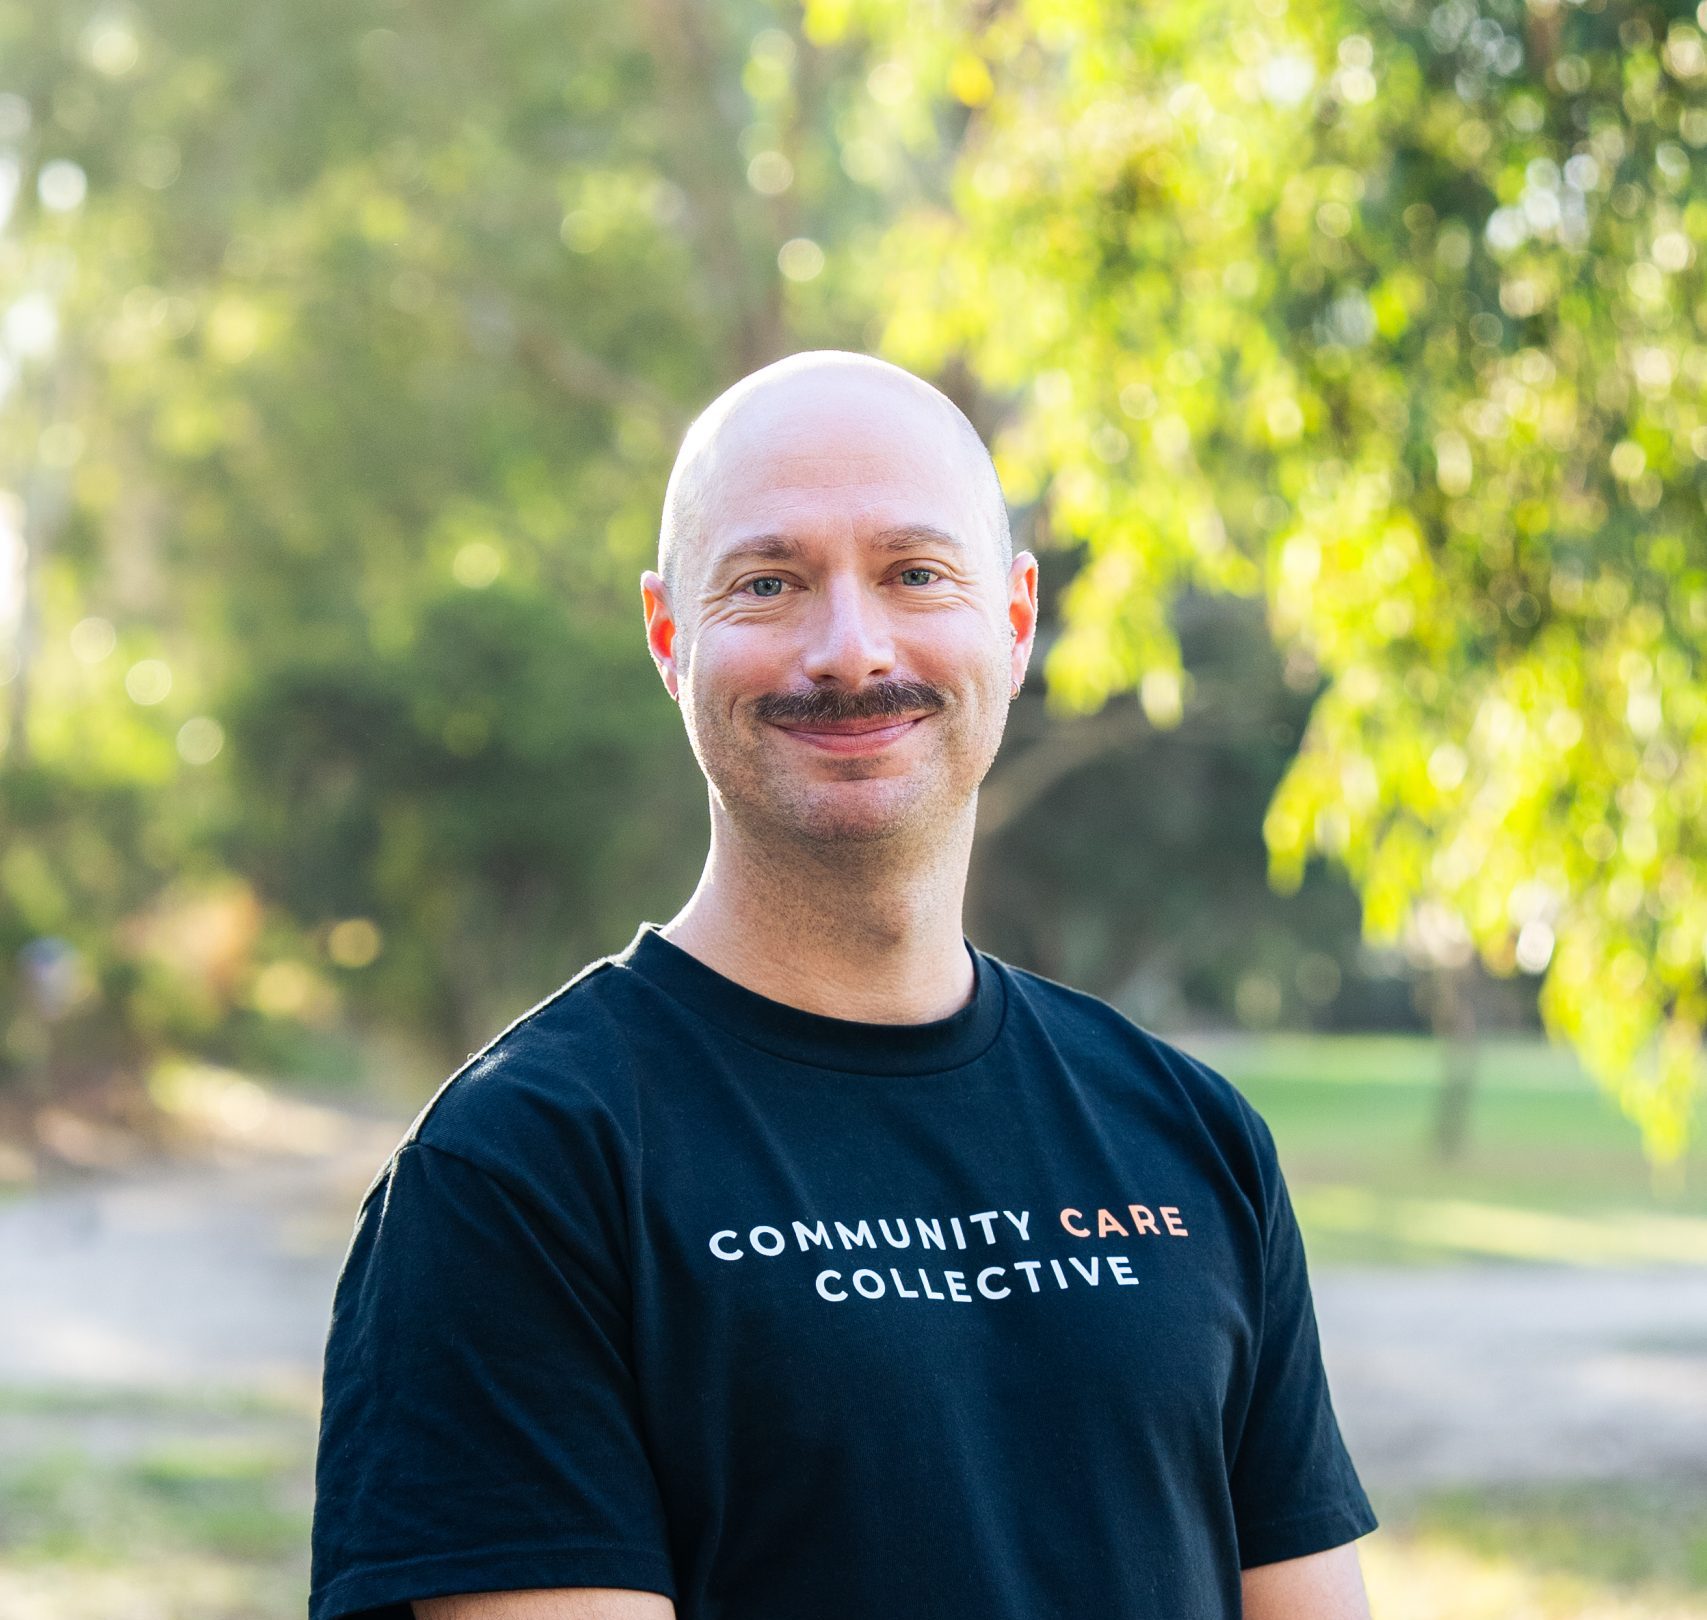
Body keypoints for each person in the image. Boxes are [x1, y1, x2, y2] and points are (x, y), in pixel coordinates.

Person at [308, 350, 1379, 1620]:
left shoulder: (1191, 1137)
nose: (852, 651)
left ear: (1016, 621)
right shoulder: (518, 1173)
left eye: (915, 573)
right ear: (669, 636)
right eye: (768, 584)